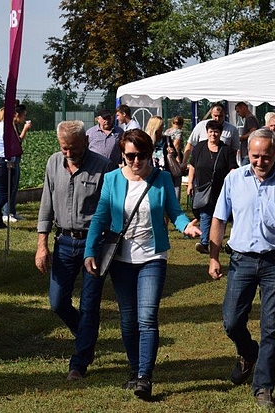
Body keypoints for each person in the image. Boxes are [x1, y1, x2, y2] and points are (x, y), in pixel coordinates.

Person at [83, 129, 200, 400]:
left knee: (146, 317)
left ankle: (145, 377)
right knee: (128, 320)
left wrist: (186, 227)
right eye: (130, 156)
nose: (136, 161)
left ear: (150, 154)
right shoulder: (112, 179)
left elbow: (175, 212)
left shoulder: (161, 179)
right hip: (120, 259)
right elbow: (100, 217)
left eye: (142, 155)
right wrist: (90, 251)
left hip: (152, 257)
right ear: (122, 155)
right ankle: (135, 370)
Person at [208, 128, 275, 409]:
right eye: (255, 156)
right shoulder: (234, 180)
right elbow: (219, 219)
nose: (260, 161)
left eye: (266, 156)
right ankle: (248, 352)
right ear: (247, 153)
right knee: (231, 321)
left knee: (272, 325)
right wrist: (213, 257)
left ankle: (263, 386)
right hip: (241, 260)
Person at [35, 120, 116, 381]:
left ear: (86, 142)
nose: (68, 153)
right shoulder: (53, 163)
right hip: (64, 242)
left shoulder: (104, 167)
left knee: (89, 304)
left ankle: (79, 363)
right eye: (64, 148)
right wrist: (42, 245)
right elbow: (46, 205)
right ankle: (86, 336)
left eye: (73, 148)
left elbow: (111, 211)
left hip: (94, 243)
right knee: (57, 302)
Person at [188, 120, 237, 254]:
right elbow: (192, 165)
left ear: (220, 133)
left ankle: (217, 242)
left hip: (221, 189)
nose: (213, 134)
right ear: (207, 132)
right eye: (211, 132)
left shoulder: (226, 150)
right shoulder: (199, 148)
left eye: (216, 132)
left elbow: (233, 168)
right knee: (205, 215)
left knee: (221, 217)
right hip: (203, 189)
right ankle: (204, 243)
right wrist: (190, 183)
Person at [180, 103, 239, 169]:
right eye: (215, 116)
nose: (217, 118)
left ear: (225, 114)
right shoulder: (201, 126)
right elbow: (190, 144)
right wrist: (184, 162)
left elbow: (234, 150)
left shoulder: (232, 129)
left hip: (221, 167)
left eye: (220, 116)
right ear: (211, 113)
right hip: (202, 165)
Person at [3, 104, 32, 223]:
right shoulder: (9, 126)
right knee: (9, 186)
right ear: (17, 115)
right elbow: (16, 141)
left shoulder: (14, 126)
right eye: (23, 115)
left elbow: (18, 140)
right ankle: (6, 213)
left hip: (16, 157)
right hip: (12, 158)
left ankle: (12, 211)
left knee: (14, 186)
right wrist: (25, 129)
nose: (24, 118)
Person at [146, 116, 182, 199]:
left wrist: (172, 152)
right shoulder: (146, 140)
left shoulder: (167, 139)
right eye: (161, 125)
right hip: (150, 172)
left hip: (165, 172)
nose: (163, 127)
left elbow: (175, 154)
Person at [164, 115, 185, 200]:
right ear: (182, 124)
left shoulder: (167, 131)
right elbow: (176, 146)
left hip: (166, 157)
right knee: (176, 180)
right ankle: (175, 201)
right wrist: (178, 161)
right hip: (174, 156)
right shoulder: (179, 132)